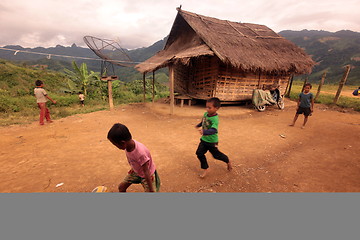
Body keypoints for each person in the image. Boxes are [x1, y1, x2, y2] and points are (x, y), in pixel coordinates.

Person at [107, 123, 160, 192]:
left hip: (148, 175)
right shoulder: (127, 145)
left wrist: (151, 190)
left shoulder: (140, 153)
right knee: (121, 187)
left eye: (115, 144)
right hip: (137, 171)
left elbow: (146, 172)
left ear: (123, 143)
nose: (116, 147)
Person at [195, 97, 232, 178]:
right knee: (199, 153)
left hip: (212, 141)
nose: (207, 109)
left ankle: (228, 161)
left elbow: (214, 130)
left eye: (209, 107)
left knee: (216, 155)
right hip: (204, 140)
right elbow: (203, 121)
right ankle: (206, 168)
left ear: (216, 108)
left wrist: (204, 132)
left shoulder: (215, 119)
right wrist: (198, 125)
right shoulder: (205, 114)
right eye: (206, 107)